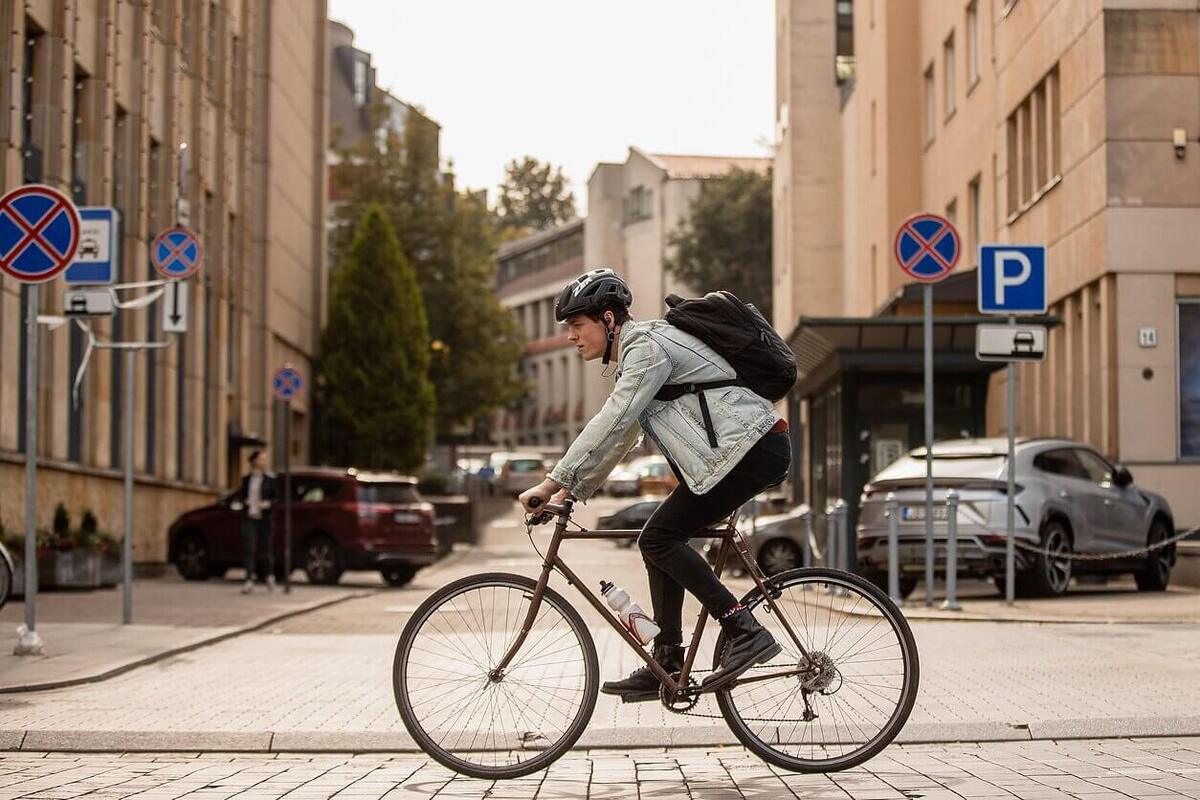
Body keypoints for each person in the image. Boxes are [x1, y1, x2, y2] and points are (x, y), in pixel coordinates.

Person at [518, 269, 791, 700]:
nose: (571, 336)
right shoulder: (639, 353)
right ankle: (667, 659)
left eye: (576, 325)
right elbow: (622, 436)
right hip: (737, 454)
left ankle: (744, 629)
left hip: (753, 450)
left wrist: (552, 483)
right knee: (658, 539)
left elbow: (613, 419)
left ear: (608, 320)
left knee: (660, 539)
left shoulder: (646, 345)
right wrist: (571, 490)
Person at [232, 450, 278, 594]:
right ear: (254, 461)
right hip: (249, 516)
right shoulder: (247, 479)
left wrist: (267, 504)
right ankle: (249, 580)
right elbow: (241, 495)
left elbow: (276, 498)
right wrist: (244, 502)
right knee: (249, 548)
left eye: (265, 459)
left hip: (265, 518)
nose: (264, 462)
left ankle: (269, 576)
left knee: (265, 549)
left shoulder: (270, 479)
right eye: (261, 459)